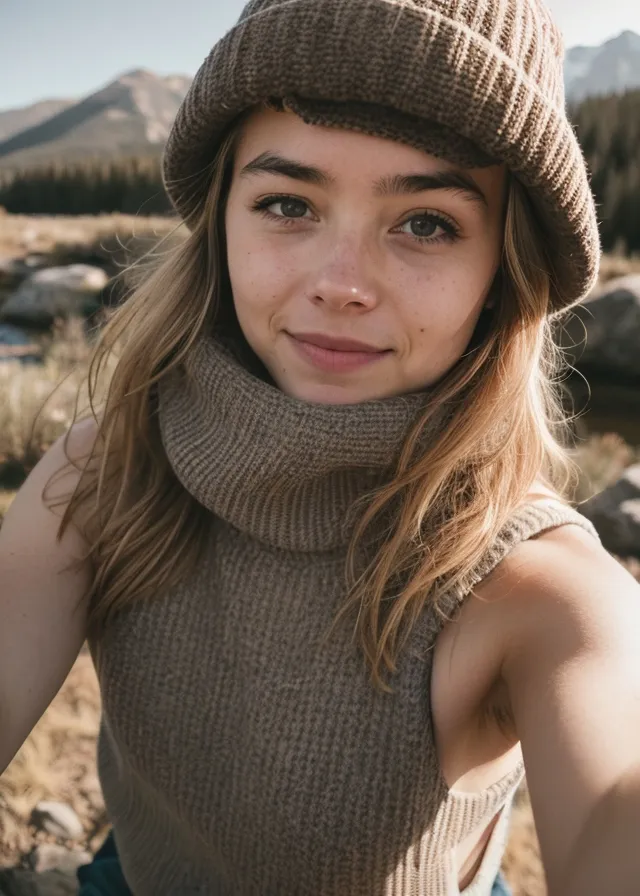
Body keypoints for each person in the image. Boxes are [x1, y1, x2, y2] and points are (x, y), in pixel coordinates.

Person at [2, 0, 640, 893]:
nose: (341, 284)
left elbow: (615, 796)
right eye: (288, 203)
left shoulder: (537, 590)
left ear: (504, 268)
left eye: (426, 223)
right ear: (221, 222)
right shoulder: (103, 474)